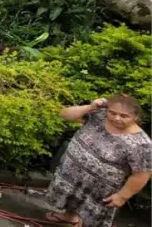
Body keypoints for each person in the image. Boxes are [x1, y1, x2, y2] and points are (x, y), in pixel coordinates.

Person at [47, 94, 152, 226]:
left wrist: (122, 196)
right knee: (71, 202)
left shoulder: (142, 144)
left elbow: (142, 174)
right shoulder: (99, 115)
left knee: (92, 219)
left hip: (100, 190)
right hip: (72, 175)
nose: (116, 118)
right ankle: (69, 217)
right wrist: (90, 106)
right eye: (112, 113)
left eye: (124, 116)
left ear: (136, 117)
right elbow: (65, 114)